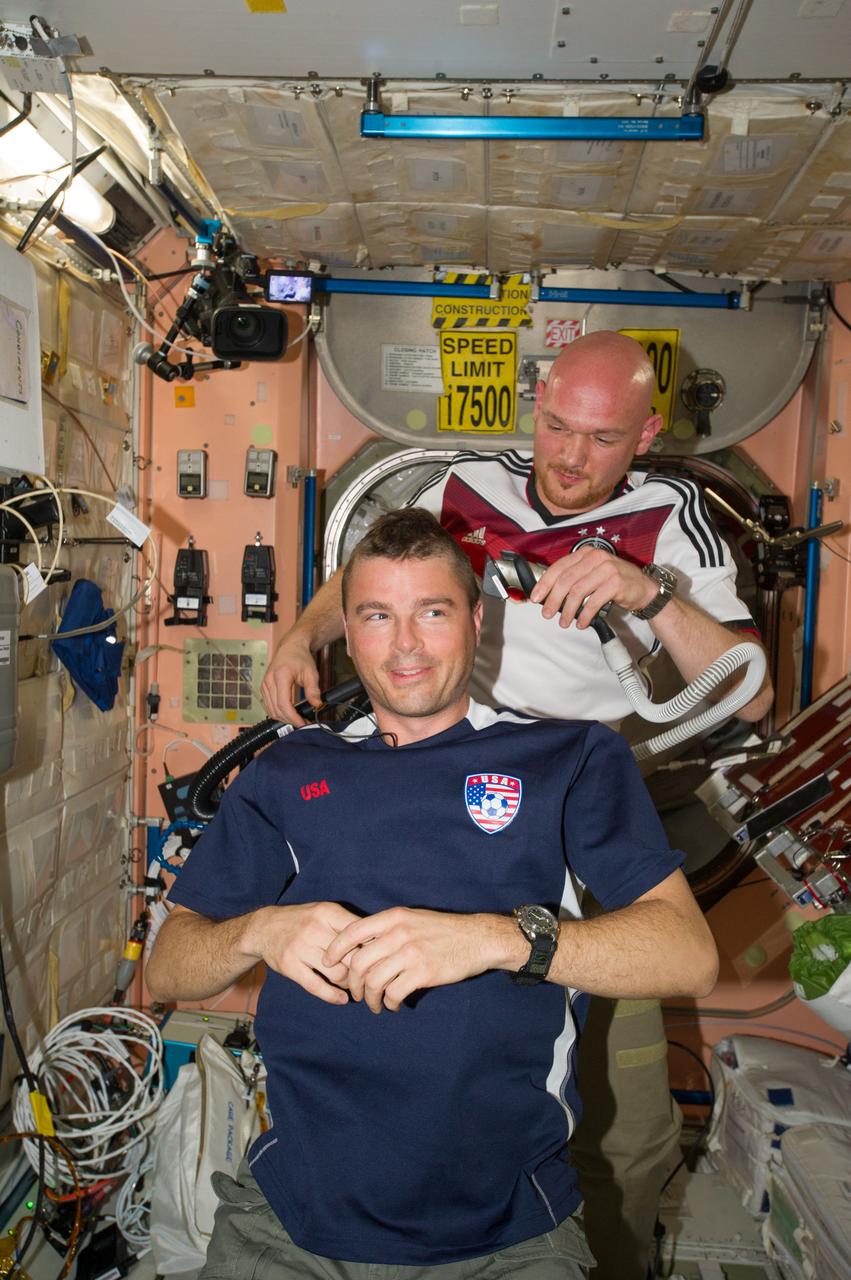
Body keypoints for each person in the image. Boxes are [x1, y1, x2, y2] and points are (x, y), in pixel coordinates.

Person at [261, 331, 773, 1279]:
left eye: (602, 438)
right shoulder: (458, 487)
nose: (570, 459)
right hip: (443, 800)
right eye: (555, 427)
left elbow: (750, 693)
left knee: (622, 1114)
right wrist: (301, 637)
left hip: (579, 822)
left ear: (648, 434)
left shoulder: (673, 516)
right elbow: (366, 576)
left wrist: (642, 589)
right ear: (533, 408)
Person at [148, 509, 719, 1280]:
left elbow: (688, 956)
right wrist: (257, 932)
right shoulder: (287, 773)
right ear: (347, 634)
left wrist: (494, 939)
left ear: (477, 622)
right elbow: (169, 968)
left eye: (433, 612)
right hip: (291, 1219)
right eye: (378, 617)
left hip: (506, 1230)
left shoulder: (567, 757)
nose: (406, 645)